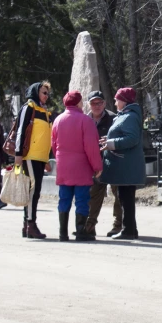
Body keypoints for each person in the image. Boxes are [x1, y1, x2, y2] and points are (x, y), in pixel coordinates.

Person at [51, 91, 103, 242]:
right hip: (81, 166)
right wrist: (97, 166)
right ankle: (81, 231)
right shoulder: (86, 121)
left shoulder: (58, 120)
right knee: (81, 198)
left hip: (63, 166)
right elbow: (91, 147)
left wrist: (60, 159)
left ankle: (62, 233)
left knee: (64, 198)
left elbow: (54, 145)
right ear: (79, 103)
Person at [99, 87, 146, 240]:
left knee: (126, 198)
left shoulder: (130, 116)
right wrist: (109, 139)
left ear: (124, 101)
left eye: (117, 99)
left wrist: (112, 143)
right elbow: (123, 134)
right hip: (124, 165)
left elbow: (132, 139)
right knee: (125, 198)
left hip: (127, 165)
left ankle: (128, 230)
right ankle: (131, 228)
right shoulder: (125, 115)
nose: (115, 101)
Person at [15, 81, 54, 239]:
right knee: (33, 190)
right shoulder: (29, 107)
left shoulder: (44, 111)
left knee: (34, 191)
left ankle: (27, 226)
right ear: (35, 92)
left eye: (47, 93)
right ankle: (31, 224)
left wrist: (46, 160)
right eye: (44, 92)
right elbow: (20, 131)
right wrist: (18, 156)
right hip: (29, 156)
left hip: (40, 158)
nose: (46, 96)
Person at [82, 90, 123, 238]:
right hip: (93, 163)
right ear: (89, 105)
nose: (97, 106)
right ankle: (90, 225)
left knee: (118, 195)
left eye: (99, 103)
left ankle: (118, 225)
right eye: (93, 103)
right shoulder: (85, 120)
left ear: (104, 103)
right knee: (94, 194)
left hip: (113, 162)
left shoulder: (114, 118)